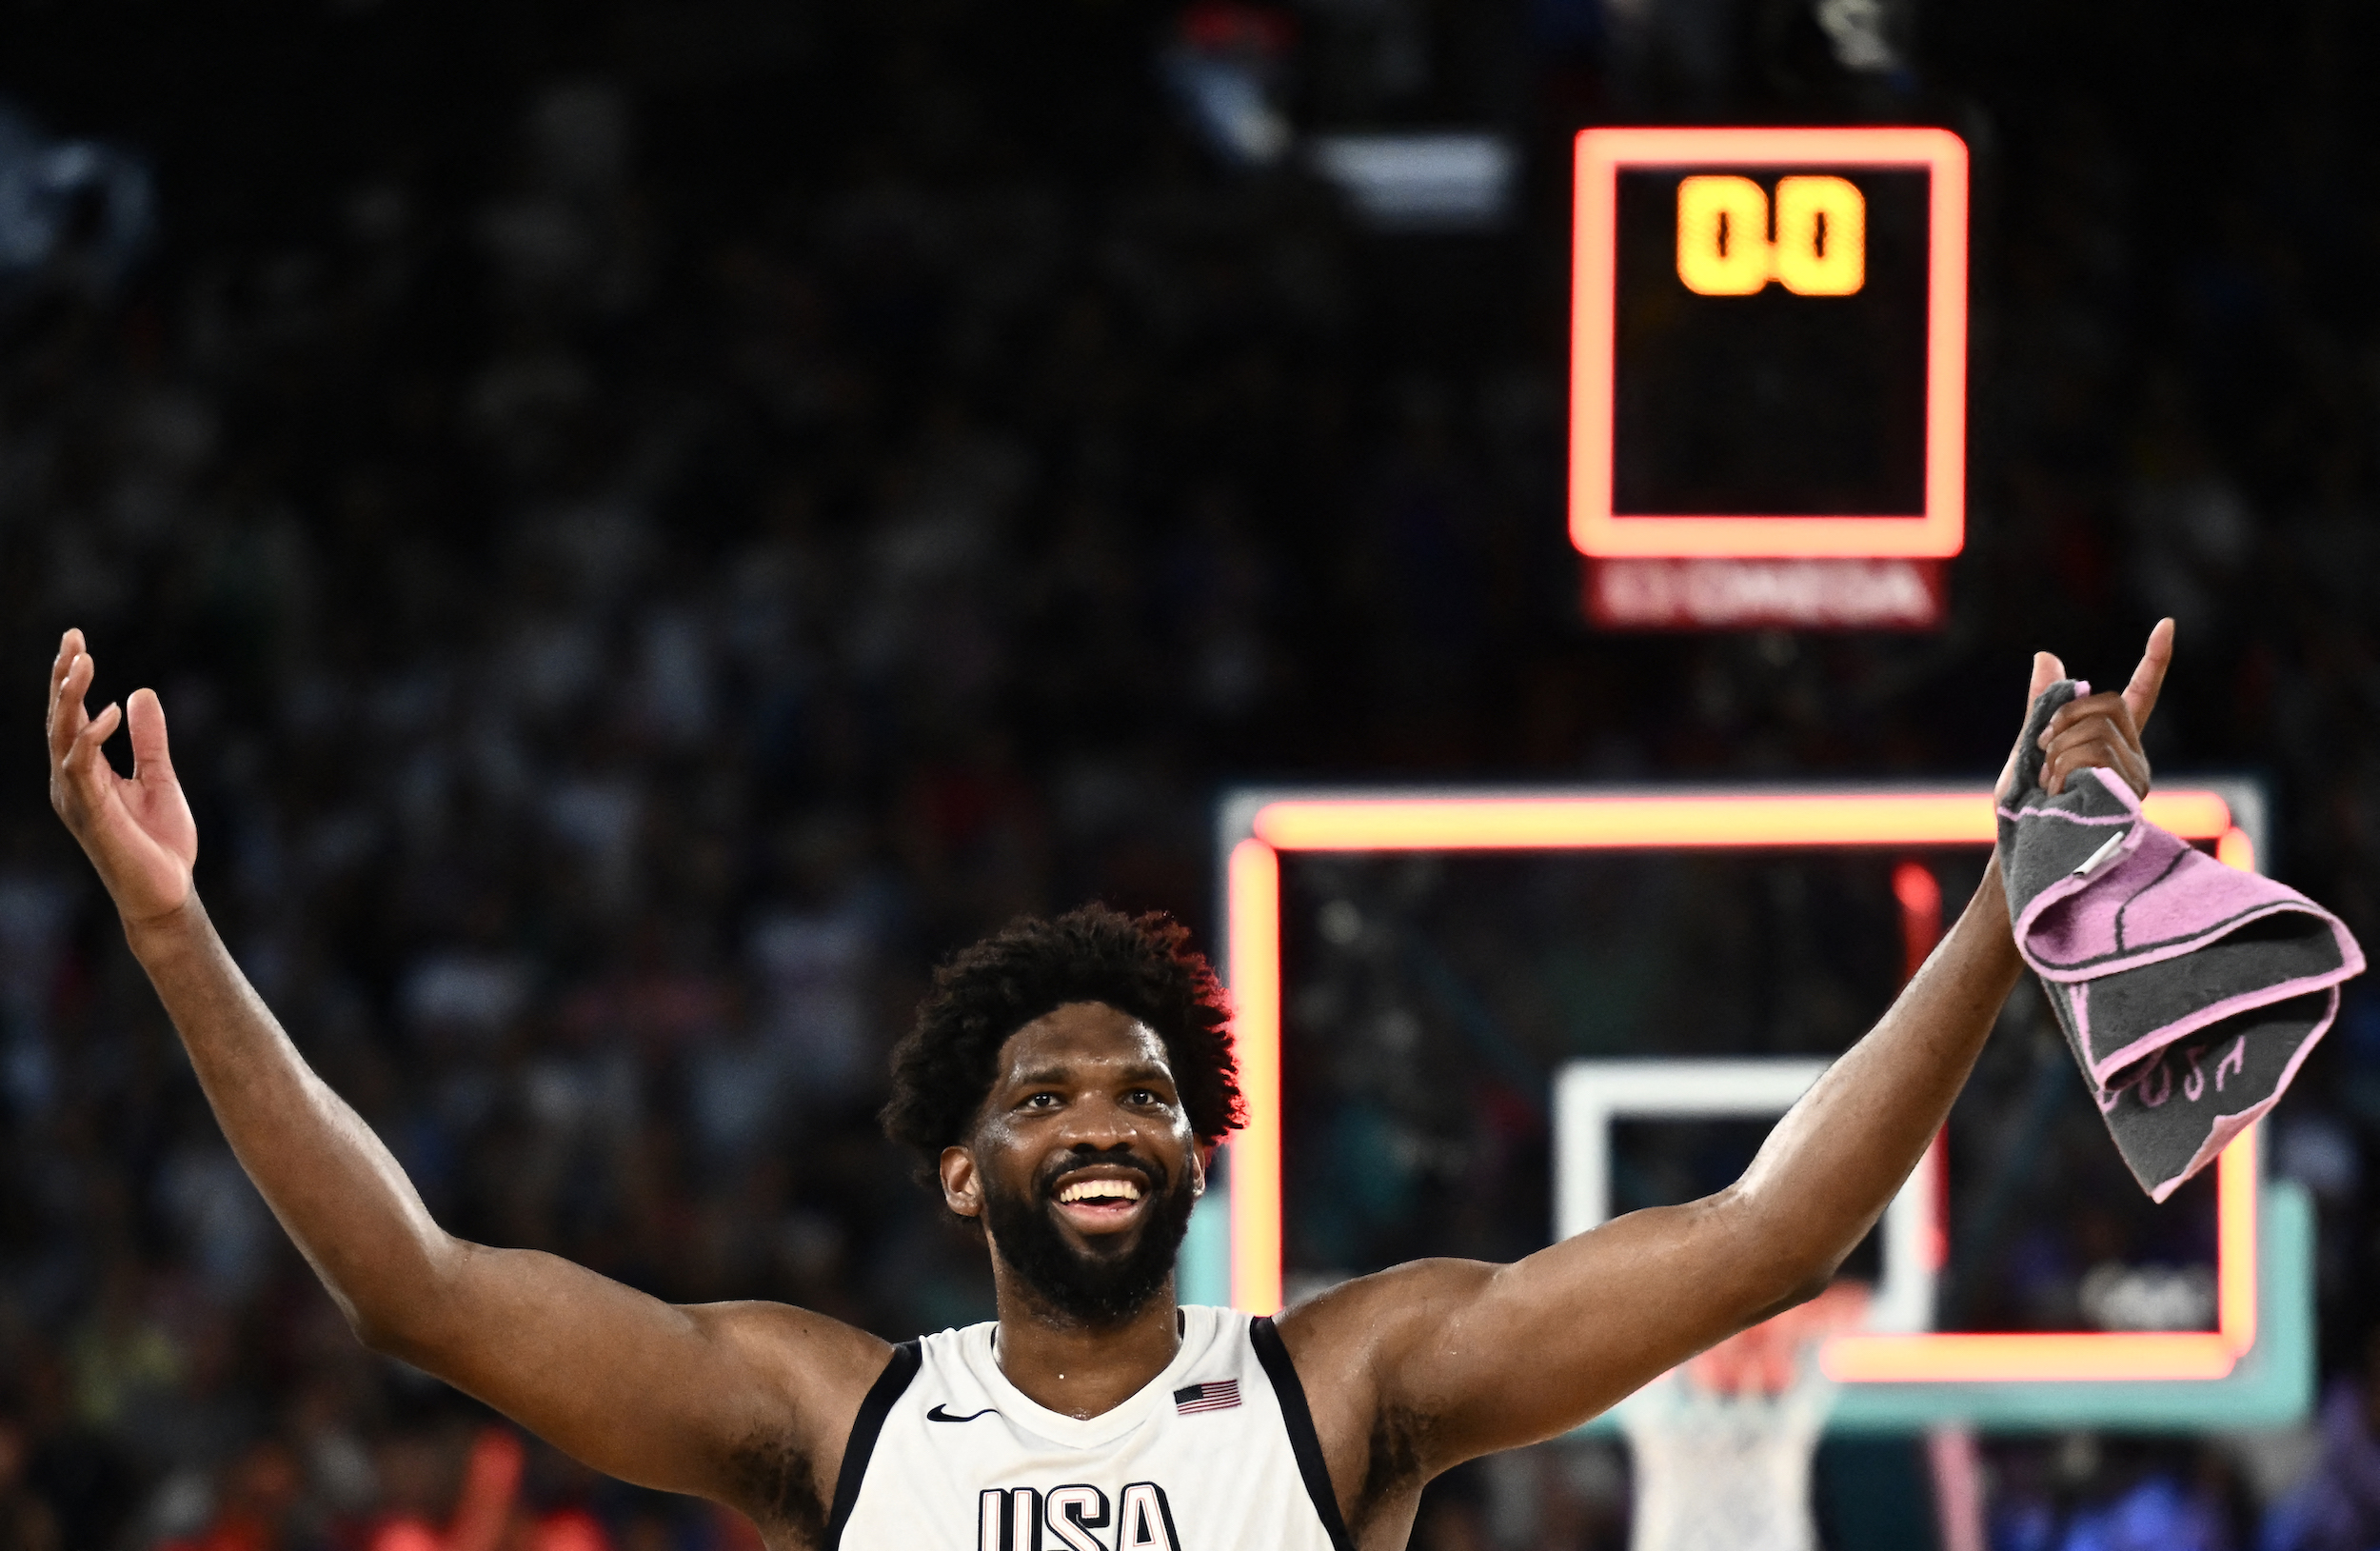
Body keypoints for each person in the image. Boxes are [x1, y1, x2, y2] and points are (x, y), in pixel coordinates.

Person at [43, 621, 2174, 1551]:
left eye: (1142, 1095)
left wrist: (2000, 907)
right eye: (1050, 1093)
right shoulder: (827, 1416)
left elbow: (1767, 1235)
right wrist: (170, 932)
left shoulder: (1348, 1388)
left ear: (1192, 1149)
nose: (1100, 1118)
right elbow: (413, 1286)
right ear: (965, 1168)